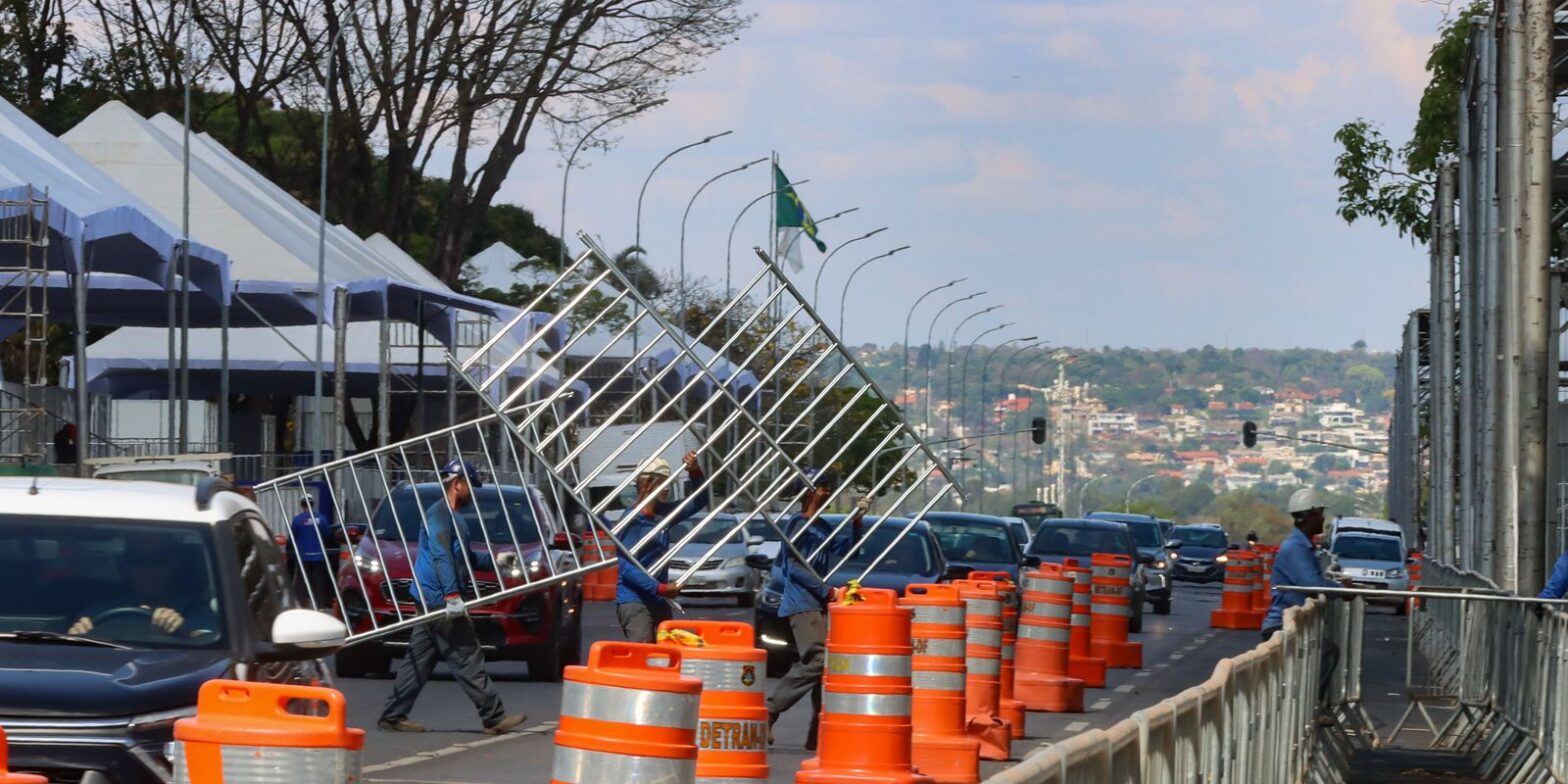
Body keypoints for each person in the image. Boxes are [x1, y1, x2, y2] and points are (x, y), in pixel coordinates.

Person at [378, 459, 526, 735]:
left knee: (419, 659)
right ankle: (493, 716)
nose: (473, 492)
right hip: (437, 598)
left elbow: (464, 559)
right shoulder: (440, 516)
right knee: (467, 655)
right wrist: (453, 596)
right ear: (457, 484)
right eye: (471, 486)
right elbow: (441, 556)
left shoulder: (453, 518)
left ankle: (392, 715)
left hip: (431, 597)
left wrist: (497, 562)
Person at [766, 469, 869, 751]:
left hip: (820, 605)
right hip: (802, 603)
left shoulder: (822, 525)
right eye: (822, 488)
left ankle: (818, 731)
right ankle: (769, 710)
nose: (827, 492)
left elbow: (850, 551)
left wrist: (856, 523)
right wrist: (827, 592)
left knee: (825, 668)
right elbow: (795, 567)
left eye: (827, 488)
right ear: (808, 491)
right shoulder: (796, 525)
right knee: (817, 661)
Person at [1262, 488, 1353, 714]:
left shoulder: (1301, 546)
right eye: (1320, 513)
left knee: (1325, 652)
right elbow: (1312, 583)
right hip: (1282, 625)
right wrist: (1342, 591)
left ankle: (1305, 709)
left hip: (1294, 623)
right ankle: (1310, 709)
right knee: (1326, 653)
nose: (1323, 518)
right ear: (1310, 515)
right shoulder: (1295, 548)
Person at [613, 451, 708, 643]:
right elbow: (627, 567)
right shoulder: (632, 521)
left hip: (658, 601)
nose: (667, 489)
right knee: (644, 654)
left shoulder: (664, 514)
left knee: (666, 654)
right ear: (646, 484)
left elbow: (700, 500)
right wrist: (660, 588)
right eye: (662, 483)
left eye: (668, 483)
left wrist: (695, 472)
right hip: (635, 601)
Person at [68, 534, 219, 640]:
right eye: (137, 560)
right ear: (125, 566)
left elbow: (212, 650)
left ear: (175, 566)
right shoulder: (97, 612)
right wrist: (76, 637)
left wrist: (184, 633)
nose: (148, 570)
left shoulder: (198, 614)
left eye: (159, 560)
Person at [289, 497, 337, 608]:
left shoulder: (297, 520)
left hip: (303, 558)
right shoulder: (322, 519)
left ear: (302, 505)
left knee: (301, 583)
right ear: (313, 504)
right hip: (318, 557)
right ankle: (319, 606)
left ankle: (301, 605)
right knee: (318, 583)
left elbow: (293, 537)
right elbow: (327, 535)